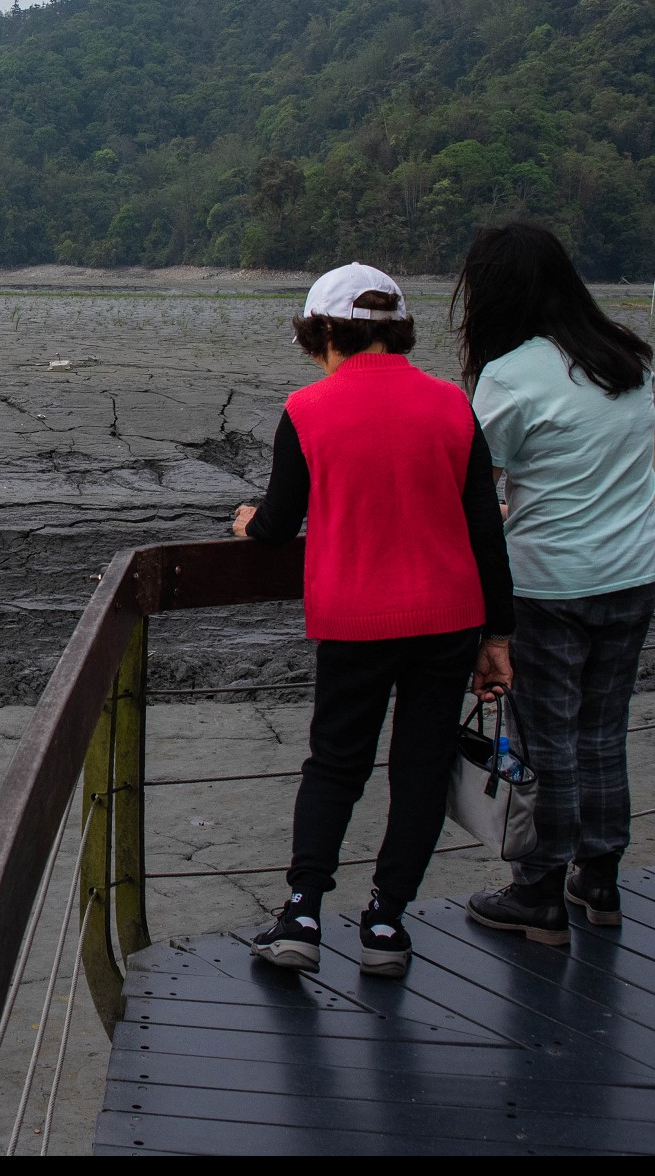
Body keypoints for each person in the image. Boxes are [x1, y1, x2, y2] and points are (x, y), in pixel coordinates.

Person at [235, 263, 513, 979]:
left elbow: (277, 524)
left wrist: (245, 525)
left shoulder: (306, 410)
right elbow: (486, 531)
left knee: (335, 765)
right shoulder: (453, 406)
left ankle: (302, 912)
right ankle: (386, 922)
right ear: (396, 328)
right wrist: (498, 636)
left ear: (322, 331)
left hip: (355, 616)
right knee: (419, 771)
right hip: (448, 616)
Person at [453, 224, 655, 946]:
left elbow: (474, 480)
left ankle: (538, 889)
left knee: (548, 741)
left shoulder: (511, 375)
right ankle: (597, 881)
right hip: (633, 572)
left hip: (549, 582)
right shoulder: (625, 361)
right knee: (603, 732)